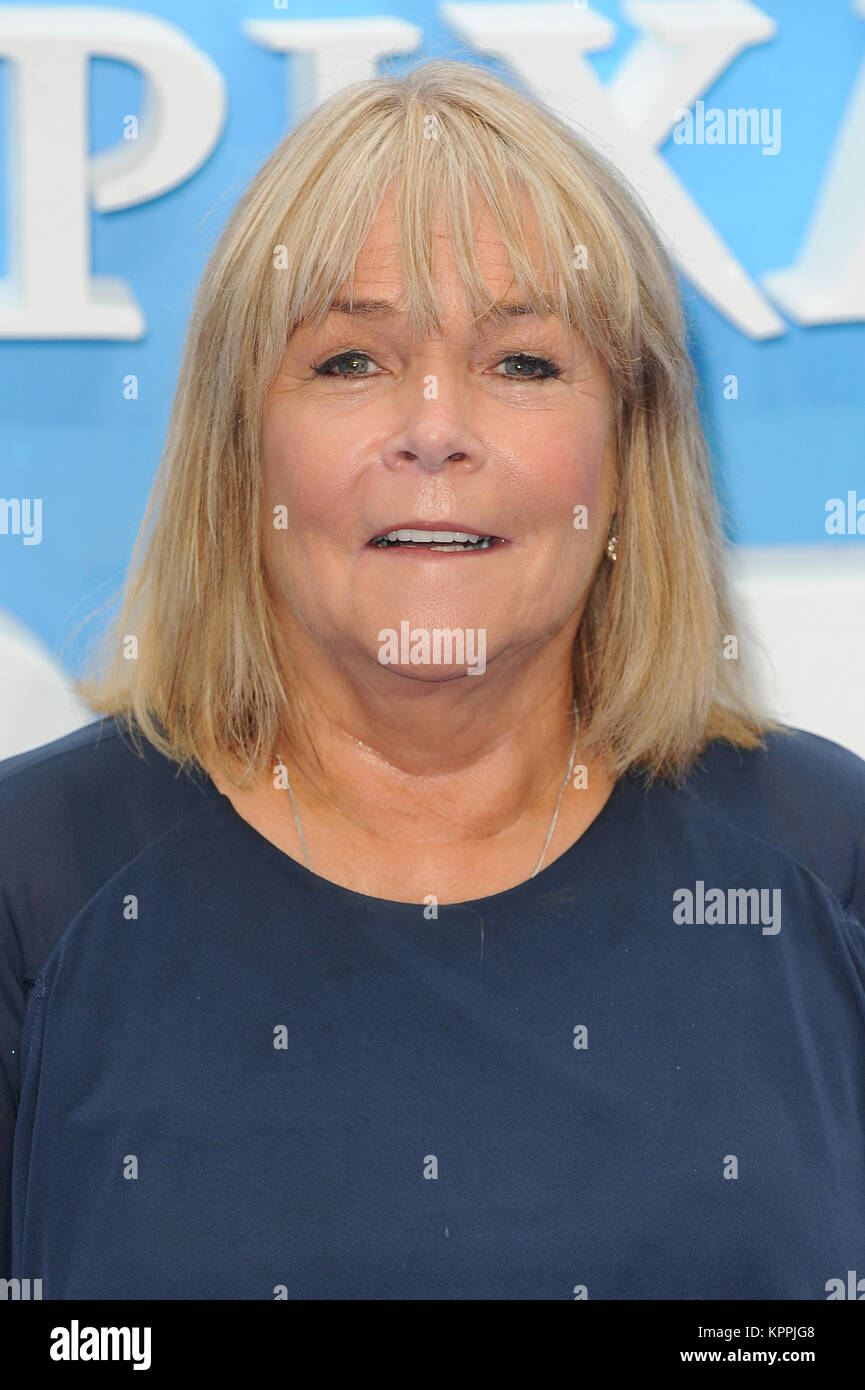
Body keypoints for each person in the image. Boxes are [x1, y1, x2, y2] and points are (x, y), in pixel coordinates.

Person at [2, 59, 863, 1301]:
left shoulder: (824, 863)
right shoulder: (35, 883)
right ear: (239, 455)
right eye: (350, 359)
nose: (433, 424)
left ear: (632, 450)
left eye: (521, 362)